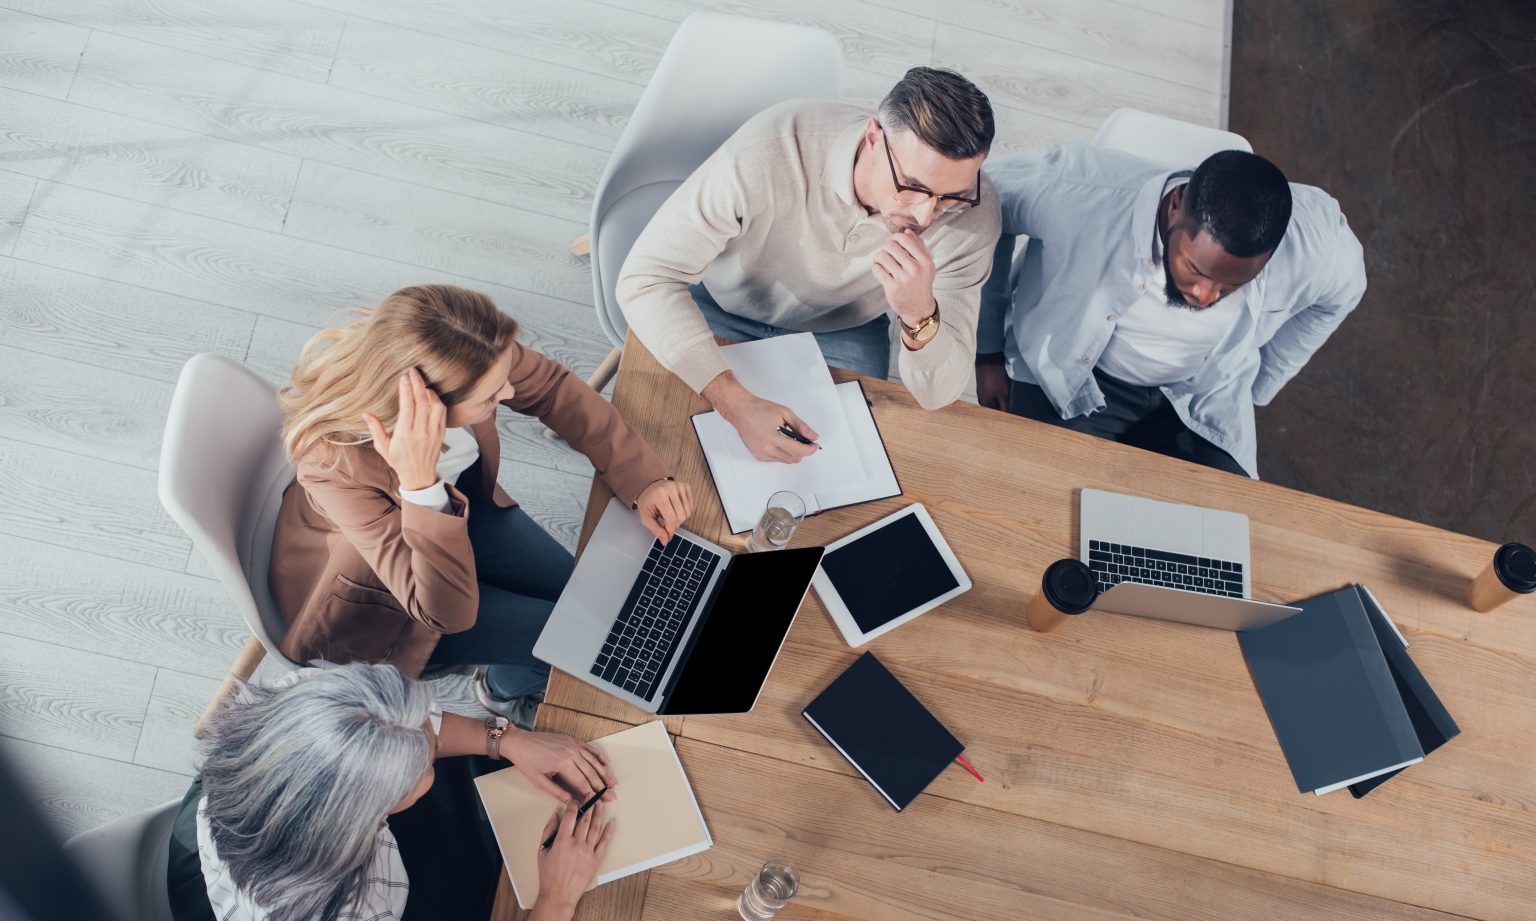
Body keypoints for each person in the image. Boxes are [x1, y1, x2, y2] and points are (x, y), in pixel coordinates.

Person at [271, 284, 693, 723]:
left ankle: (503, 680)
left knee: (591, 596)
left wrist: (643, 477)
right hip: (394, 606)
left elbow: (549, 386)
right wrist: (420, 485)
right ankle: (503, 693)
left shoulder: (465, 351)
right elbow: (445, 613)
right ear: (425, 409)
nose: (509, 393)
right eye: (490, 398)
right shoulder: (336, 467)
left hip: (466, 517)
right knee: (585, 638)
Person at [167, 662, 615, 921]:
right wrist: (557, 898)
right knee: (485, 919)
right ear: (365, 816)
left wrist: (504, 740)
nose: (434, 743)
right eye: (422, 769)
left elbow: (411, 724)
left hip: (256, 838)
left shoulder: (312, 695)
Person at [617, 66, 1001, 465]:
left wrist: (920, 315)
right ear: (874, 138)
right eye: (912, 186)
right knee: (663, 451)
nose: (925, 215)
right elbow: (646, 278)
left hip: (845, 329)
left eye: (950, 197)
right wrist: (734, 402)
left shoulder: (973, 215)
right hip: (720, 303)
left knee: (833, 465)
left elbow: (937, 394)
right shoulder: (768, 149)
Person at [975, 145, 1367, 478]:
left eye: (1231, 285)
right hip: (1069, 377)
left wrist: (1262, 384)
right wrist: (987, 349)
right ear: (1176, 205)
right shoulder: (1080, 190)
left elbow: (1343, 294)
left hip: (1202, 398)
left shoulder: (1318, 245)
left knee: (1214, 541)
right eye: (1195, 269)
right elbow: (983, 200)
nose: (1205, 294)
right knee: (1027, 499)